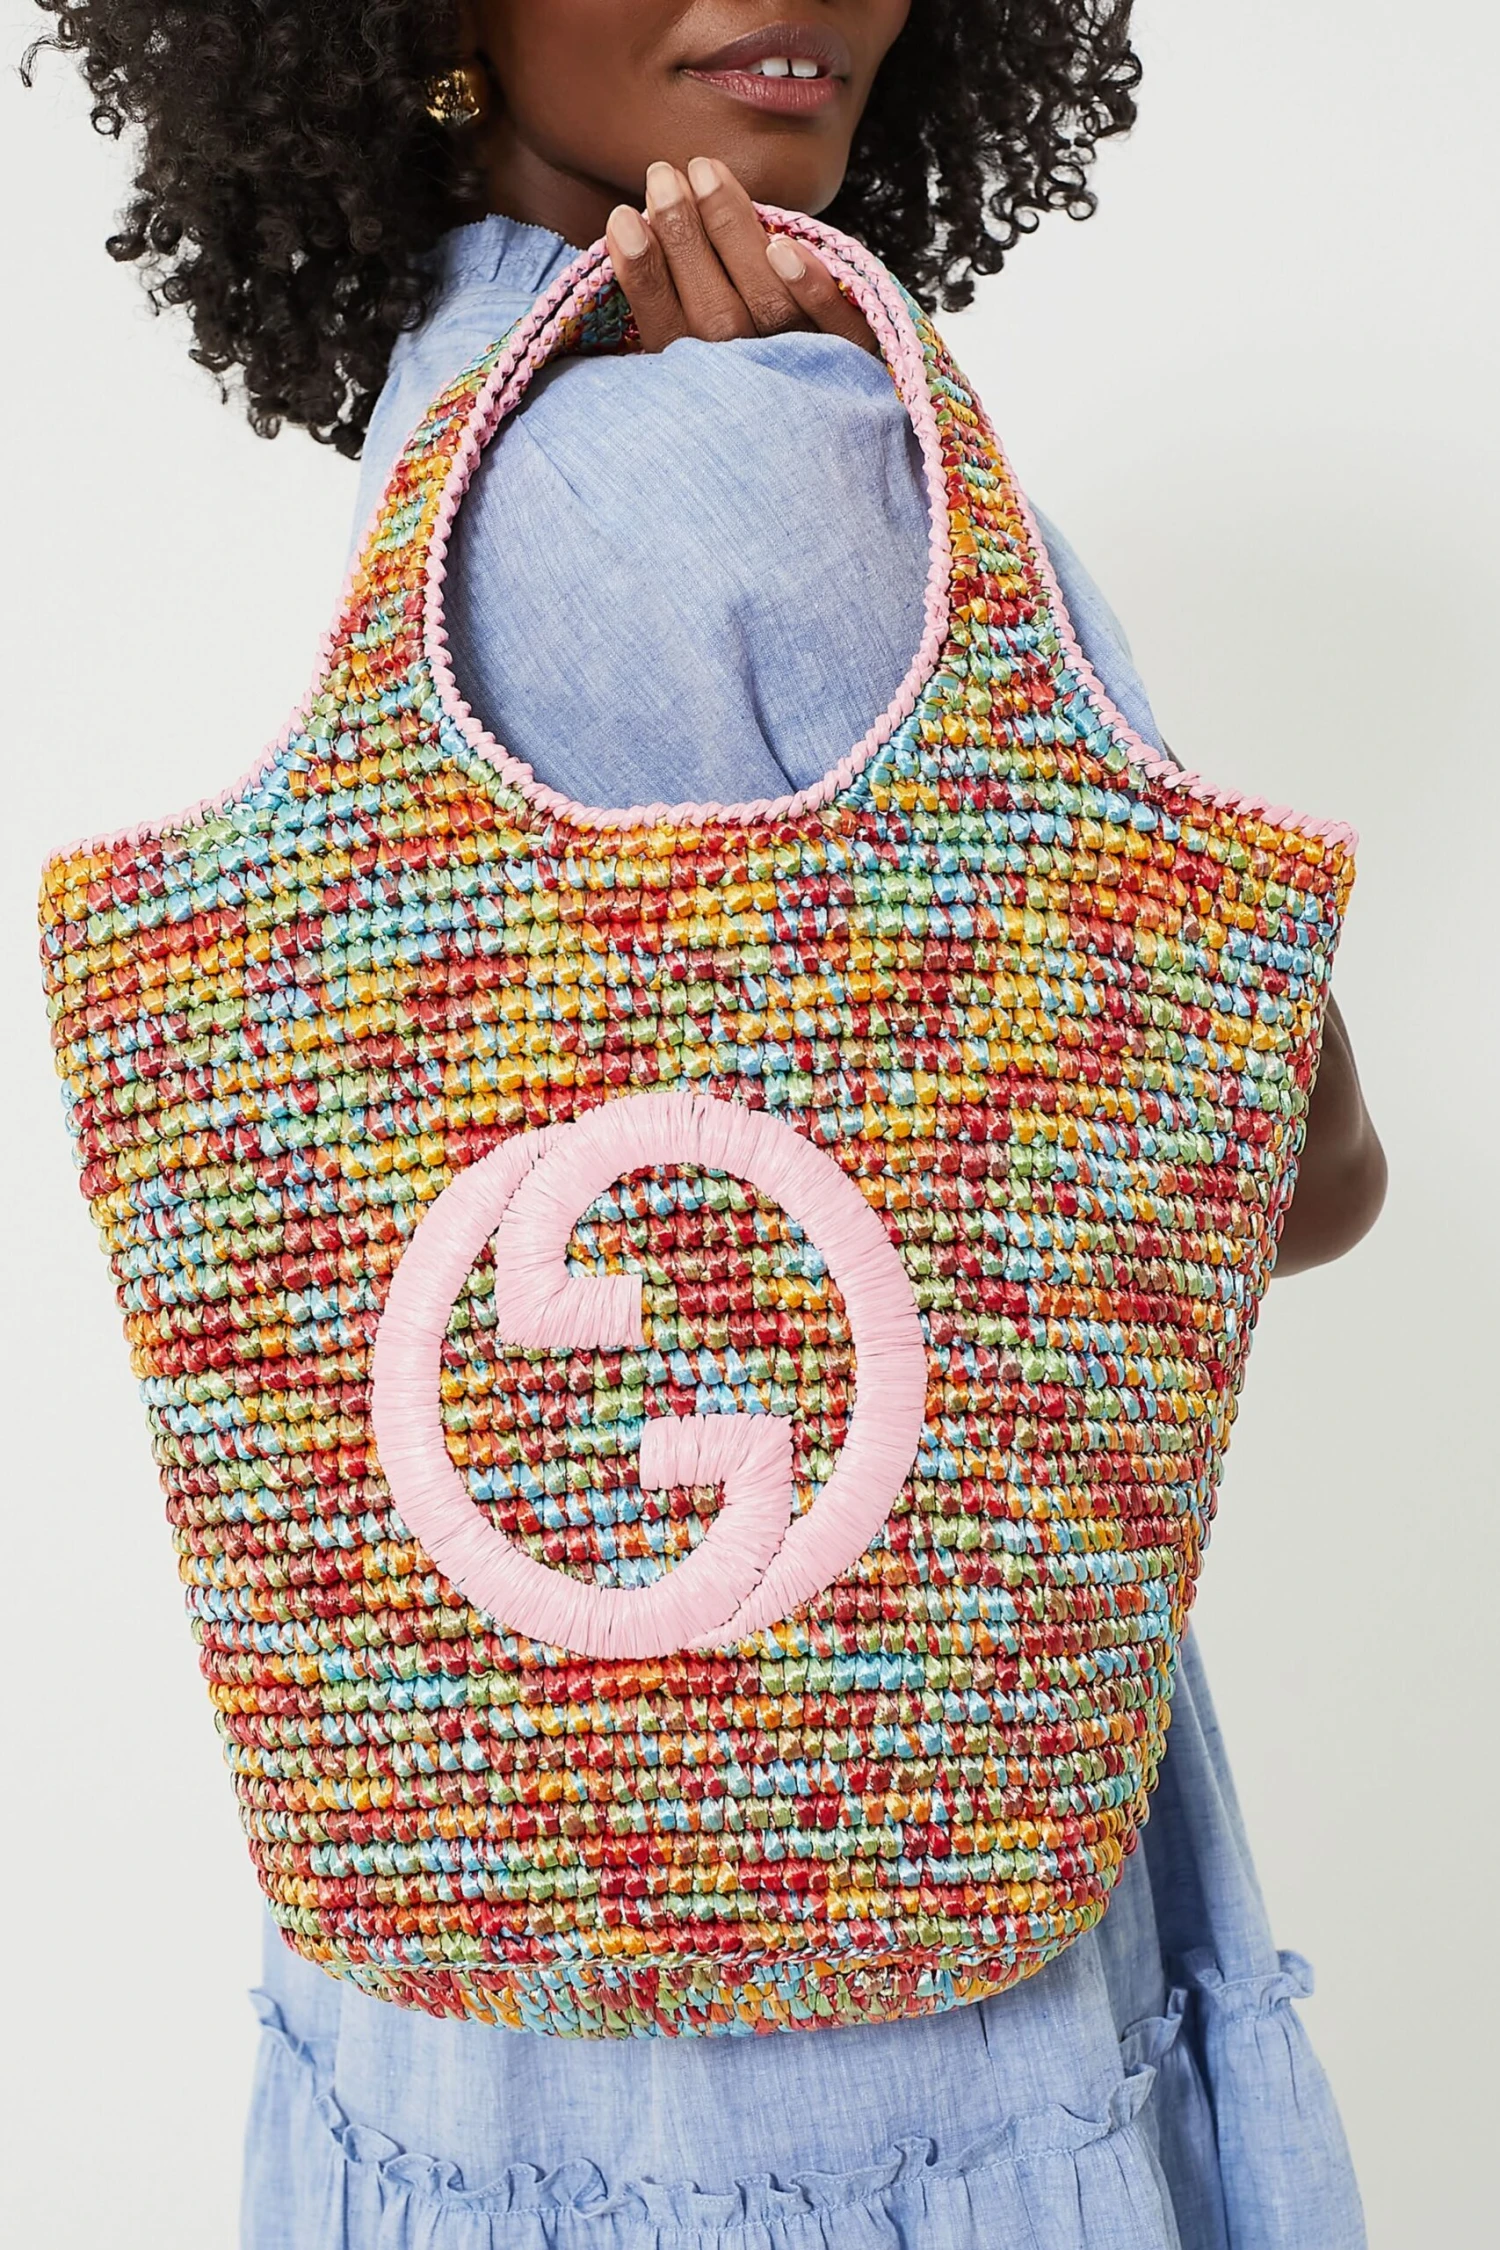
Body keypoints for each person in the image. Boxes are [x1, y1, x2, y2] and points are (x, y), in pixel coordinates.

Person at [29, 4, 1387, 2245]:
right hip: (896, 1915)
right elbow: (1292, 1174)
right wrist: (853, 433)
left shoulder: (450, 403)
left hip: (464, 1927)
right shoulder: (774, 451)